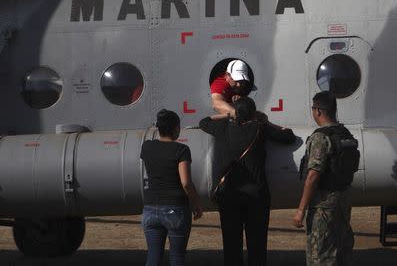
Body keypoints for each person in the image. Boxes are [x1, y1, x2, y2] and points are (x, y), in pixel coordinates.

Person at [199, 97, 296, 266]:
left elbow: (203, 122)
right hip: (256, 197)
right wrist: (265, 121)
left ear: (236, 113)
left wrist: (228, 114)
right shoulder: (260, 128)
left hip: (229, 195)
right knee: (257, 247)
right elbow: (289, 137)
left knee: (231, 247)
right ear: (253, 113)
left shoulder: (222, 128)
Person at [293, 91, 359, 266]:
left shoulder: (320, 137)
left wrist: (301, 209)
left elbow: (313, 175)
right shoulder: (345, 134)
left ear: (318, 111)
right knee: (341, 251)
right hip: (343, 201)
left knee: (320, 256)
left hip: (323, 207)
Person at [140, 109, 203, 266]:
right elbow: (186, 182)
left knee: (153, 257)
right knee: (177, 257)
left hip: (150, 208)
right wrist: (195, 203)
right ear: (176, 128)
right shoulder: (181, 150)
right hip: (175, 209)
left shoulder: (146, 147)